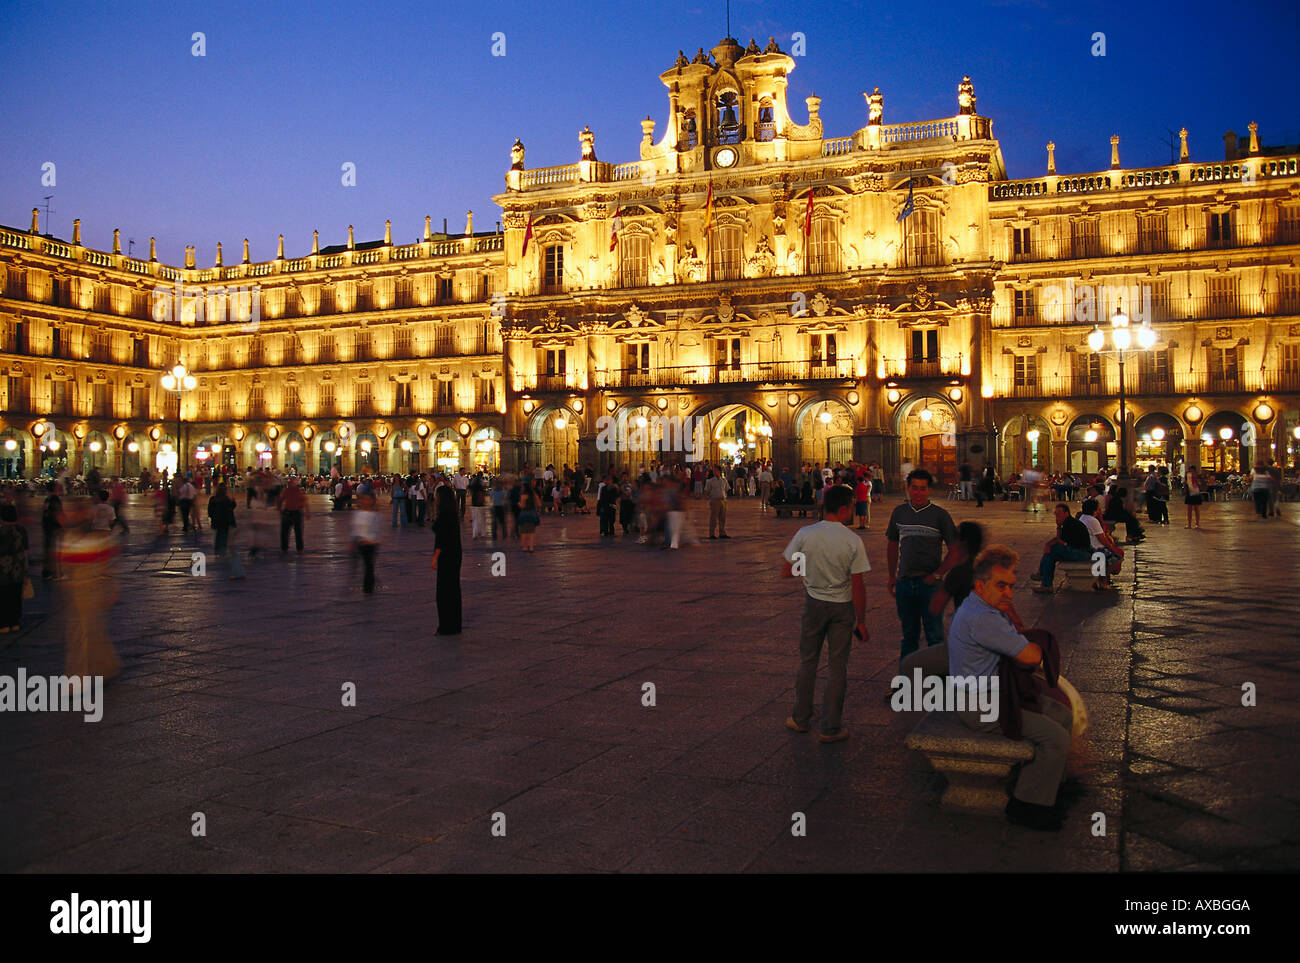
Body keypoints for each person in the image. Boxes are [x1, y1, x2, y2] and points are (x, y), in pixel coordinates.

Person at [948, 545, 1074, 831]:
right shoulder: (983, 618)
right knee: (1056, 738)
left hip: (993, 694)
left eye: (1012, 587)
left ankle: (1047, 784)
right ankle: (1027, 806)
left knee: (1062, 715)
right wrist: (1037, 647)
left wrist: (1007, 606)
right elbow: (1031, 656)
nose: (1009, 593)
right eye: (1001, 586)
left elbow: (1015, 630)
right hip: (980, 707)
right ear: (980, 585)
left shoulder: (978, 605)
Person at [781, 484, 869, 744]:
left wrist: (811, 572)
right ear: (844, 509)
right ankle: (831, 728)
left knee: (808, 661)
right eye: (851, 507)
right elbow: (857, 585)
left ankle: (800, 719)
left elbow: (788, 570)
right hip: (842, 607)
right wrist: (861, 621)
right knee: (837, 667)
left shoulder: (806, 534)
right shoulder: (852, 540)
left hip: (814, 603)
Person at [885, 469, 959, 661]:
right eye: (915, 488)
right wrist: (892, 575)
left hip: (930, 586)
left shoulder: (939, 515)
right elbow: (892, 544)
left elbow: (955, 550)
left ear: (929, 491)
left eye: (923, 489)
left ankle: (939, 684)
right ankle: (907, 684)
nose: (918, 493)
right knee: (909, 636)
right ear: (908, 488)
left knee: (934, 634)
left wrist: (937, 574)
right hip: (905, 582)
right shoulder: (900, 512)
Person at [1032, 503, 1093, 593]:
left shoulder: (1071, 523)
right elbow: (1060, 540)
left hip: (1082, 553)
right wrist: (1059, 527)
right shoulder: (1065, 523)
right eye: (1056, 513)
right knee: (1050, 556)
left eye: (1059, 512)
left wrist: (1048, 545)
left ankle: (1042, 575)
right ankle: (1046, 584)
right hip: (1075, 551)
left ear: (1066, 513)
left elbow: (1061, 542)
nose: (1057, 515)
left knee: (1052, 550)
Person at [928, 520, 984, 616]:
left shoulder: (960, 571)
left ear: (963, 543)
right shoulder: (987, 565)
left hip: (969, 626)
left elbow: (935, 607)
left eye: (955, 538)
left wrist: (938, 576)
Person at [431, 486, 462, 634]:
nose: (435, 498)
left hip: (446, 555)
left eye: (437, 495)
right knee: (454, 590)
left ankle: (445, 626)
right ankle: (455, 625)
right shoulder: (453, 513)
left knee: (443, 593)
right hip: (455, 554)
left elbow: (441, 539)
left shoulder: (443, 515)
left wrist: (435, 558)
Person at [1079, 498, 1122, 591]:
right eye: (1098, 508)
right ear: (1094, 510)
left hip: (1090, 546)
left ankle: (1102, 580)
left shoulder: (1083, 517)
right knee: (1117, 559)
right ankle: (1102, 580)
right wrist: (1111, 548)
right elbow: (1102, 539)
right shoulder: (1092, 520)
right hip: (1096, 548)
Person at [0, 504, 30, 633]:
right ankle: (14, 622)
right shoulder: (21, 530)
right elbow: (25, 549)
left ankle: (3, 624)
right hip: (19, 567)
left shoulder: (1, 531)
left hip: (3, 569)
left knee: (3, 595)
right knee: (16, 594)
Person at [207, 483, 244, 580]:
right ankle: (222, 550)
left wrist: (212, 517)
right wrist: (233, 500)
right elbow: (232, 506)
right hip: (225, 521)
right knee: (224, 535)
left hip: (216, 521)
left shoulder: (213, 499)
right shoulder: (226, 499)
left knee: (218, 535)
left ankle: (217, 549)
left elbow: (209, 511)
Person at [352, 492, 380, 595]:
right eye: (364, 499)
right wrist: (352, 541)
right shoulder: (358, 514)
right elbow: (354, 528)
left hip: (370, 544)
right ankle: (369, 583)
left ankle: (368, 588)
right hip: (360, 543)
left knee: (369, 566)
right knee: (366, 565)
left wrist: (370, 540)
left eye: (368, 500)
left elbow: (377, 530)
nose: (366, 502)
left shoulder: (375, 515)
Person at [277, 477, 309, 552]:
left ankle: (288, 547)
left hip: (292, 512)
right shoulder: (296, 491)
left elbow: (280, 500)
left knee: (292, 531)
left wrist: (280, 510)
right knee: (296, 531)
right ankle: (296, 547)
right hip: (293, 512)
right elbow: (305, 502)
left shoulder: (291, 491)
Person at [41, 492, 62, 579]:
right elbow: (57, 514)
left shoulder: (47, 499)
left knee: (48, 550)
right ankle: (54, 572)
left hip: (47, 528)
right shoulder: (54, 499)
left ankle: (47, 571)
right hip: (52, 528)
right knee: (53, 550)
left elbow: (45, 511)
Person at [704, 467, 729, 539]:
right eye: (714, 471)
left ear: (720, 472)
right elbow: (707, 490)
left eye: (717, 471)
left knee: (722, 518)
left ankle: (722, 532)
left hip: (723, 500)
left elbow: (726, 489)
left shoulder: (724, 480)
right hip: (715, 500)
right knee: (713, 518)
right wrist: (708, 497)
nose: (715, 472)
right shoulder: (710, 481)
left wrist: (724, 496)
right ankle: (712, 534)